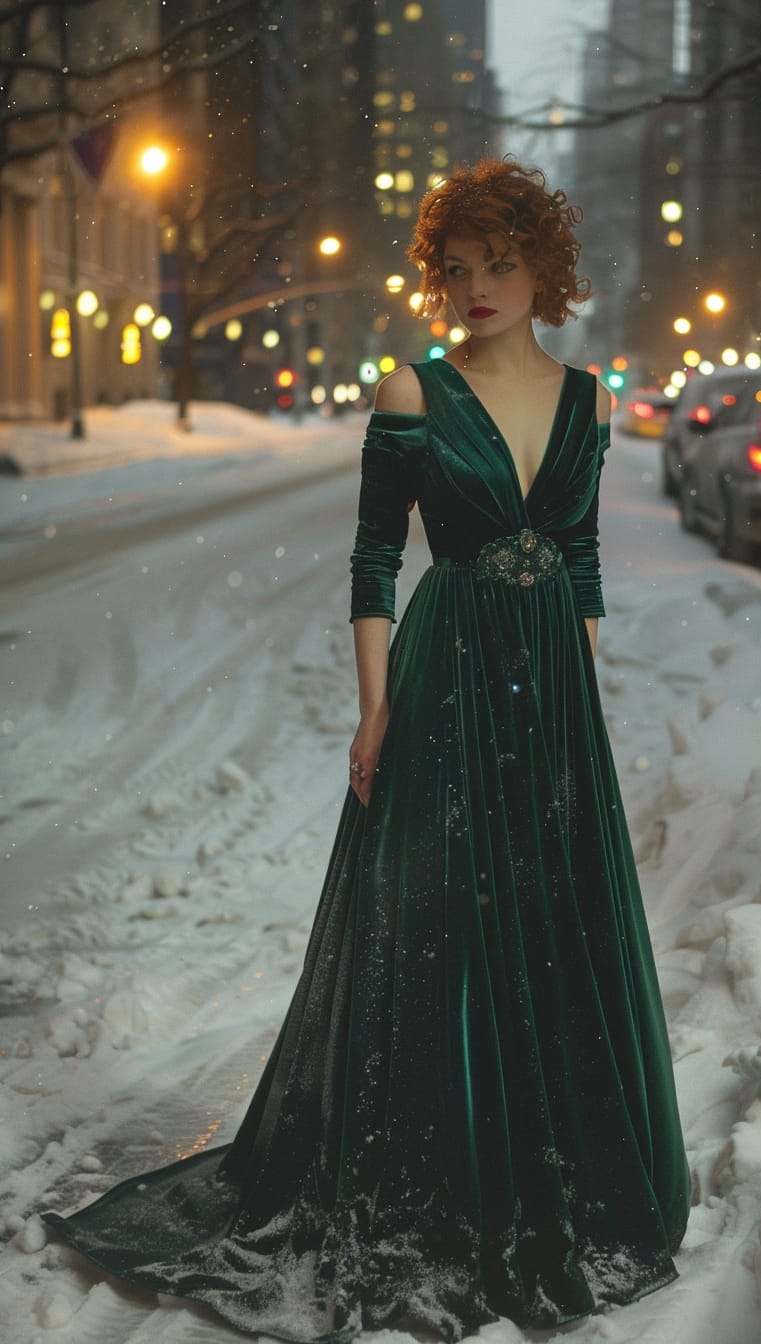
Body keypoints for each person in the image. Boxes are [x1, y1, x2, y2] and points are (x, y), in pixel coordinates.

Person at [43, 159, 690, 1342]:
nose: (475, 286)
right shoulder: (410, 391)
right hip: (442, 678)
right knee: (428, 919)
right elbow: (374, 565)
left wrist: (575, 696)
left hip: (547, 689)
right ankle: (422, 1178)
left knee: (547, 919)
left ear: (545, 271)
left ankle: (543, 1163)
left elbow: (584, 560)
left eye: (500, 263)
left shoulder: (591, 398)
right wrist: (373, 708)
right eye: (458, 267)